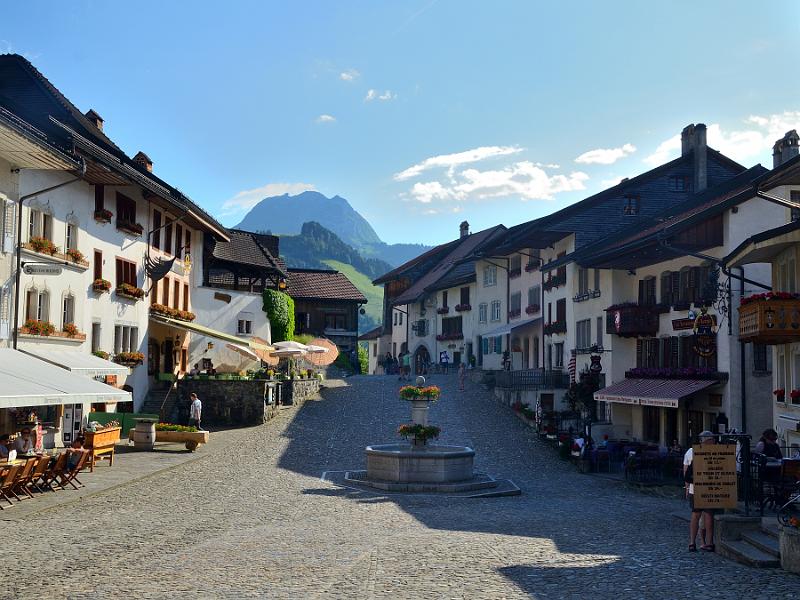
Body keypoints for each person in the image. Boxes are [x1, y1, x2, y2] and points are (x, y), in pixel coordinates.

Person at [684, 431, 718, 552]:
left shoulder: (691, 451)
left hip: (696, 488)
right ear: (708, 441)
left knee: (697, 515)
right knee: (706, 515)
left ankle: (693, 543)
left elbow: (686, 472)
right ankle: (708, 543)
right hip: (707, 487)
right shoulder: (714, 451)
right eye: (712, 440)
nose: (714, 442)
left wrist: (687, 488)